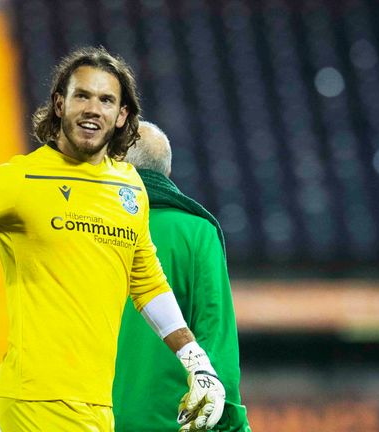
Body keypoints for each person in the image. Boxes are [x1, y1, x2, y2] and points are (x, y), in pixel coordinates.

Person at [0, 47, 225, 431]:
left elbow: (148, 283)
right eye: (82, 96)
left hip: (98, 401)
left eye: (107, 100)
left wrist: (197, 361)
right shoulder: (17, 179)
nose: (93, 108)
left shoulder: (130, 189)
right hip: (36, 397)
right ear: (59, 104)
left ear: (122, 115)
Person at [112, 122, 252, 431]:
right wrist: (231, 424)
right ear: (168, 173)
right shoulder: (198, 232)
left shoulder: (88, 228)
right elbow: (217, 337)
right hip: (177, 424)